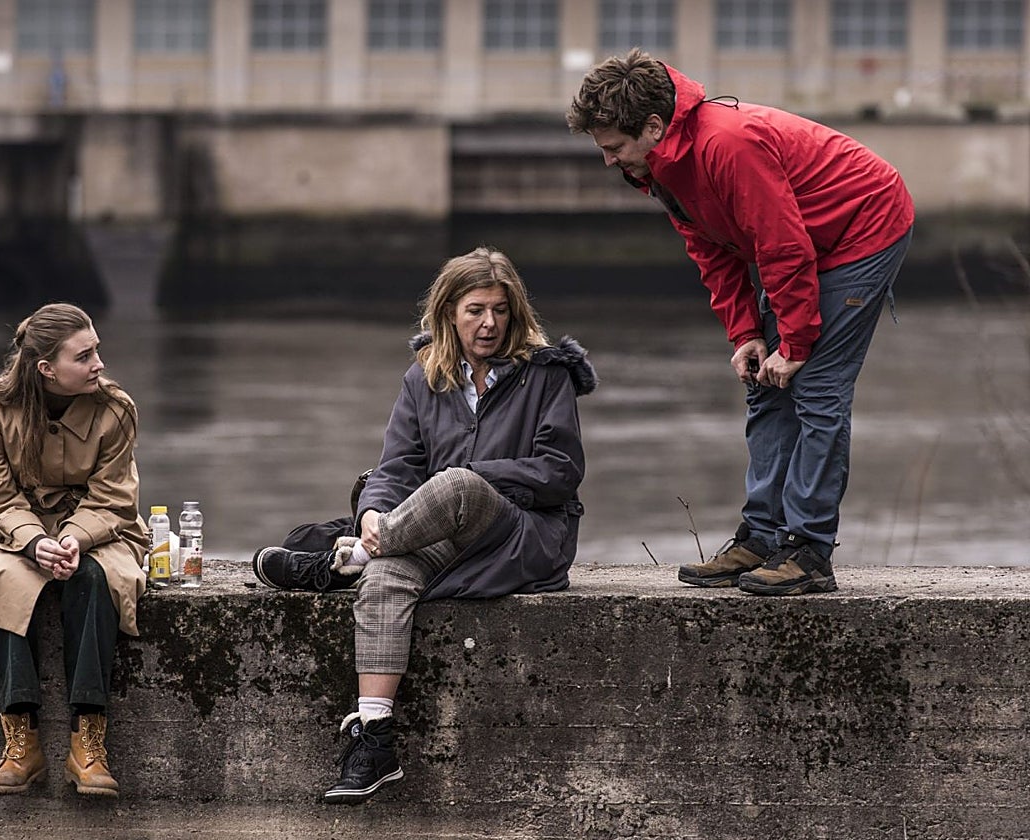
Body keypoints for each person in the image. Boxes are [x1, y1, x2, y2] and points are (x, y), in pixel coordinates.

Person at [251, 246, 597, 804]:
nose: (489, 324)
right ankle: (375, 738)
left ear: (516, 312)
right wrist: (369, 514)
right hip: (439, 531)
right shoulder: (424, 376)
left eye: (501, 311)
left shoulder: (546, 375)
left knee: (456, 484)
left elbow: (559, 473)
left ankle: (343, 560)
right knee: (387, 576)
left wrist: (472, 476)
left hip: (524, 535)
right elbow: (396, 467)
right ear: (448, 312)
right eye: (476, 310)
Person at [567, 48, 915, 596]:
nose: (608, 160)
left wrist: (797, 341)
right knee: (764, 384)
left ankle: (807, 551)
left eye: (614, 147)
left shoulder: (726, 143)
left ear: (654, 127)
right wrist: (748, 335)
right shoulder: (663, 164)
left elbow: (781, 245)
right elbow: (711, 249)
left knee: (817, 388)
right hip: (802, 243)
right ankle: (761, 536)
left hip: (862, 228)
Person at [0, 302, 148, 797]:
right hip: (7, 527)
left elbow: (114, 498)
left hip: (98, 528)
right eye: (84, 357)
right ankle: (21, 740)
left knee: (95, 578)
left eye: (97, 351)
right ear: (46, 369)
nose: (99, 364)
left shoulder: (117, 409)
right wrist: (35, 540)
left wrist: (73, 537)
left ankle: (88, 740)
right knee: (4, 580)